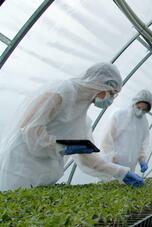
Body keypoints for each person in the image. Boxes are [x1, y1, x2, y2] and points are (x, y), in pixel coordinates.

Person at [0, 63, 144, 192]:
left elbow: (88, 158)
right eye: (111, 93)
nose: (111, 99)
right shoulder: (62, 92)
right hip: (20, 168)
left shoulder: (82, 118)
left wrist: (121, 173)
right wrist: (63, 147)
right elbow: (29, 129)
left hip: (43, 175)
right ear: (100, 84)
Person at [96, 89, 152, 177]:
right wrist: (112, 159)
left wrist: (142, 160)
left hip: (130, 166)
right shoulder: (120, 116)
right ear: (134, 103)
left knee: (125, 188)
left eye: (144, 110)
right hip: (113, 164)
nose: (140, 111)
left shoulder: (144, 123)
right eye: (138, 107)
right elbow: (106, 140)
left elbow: (141, 144)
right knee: (108, 186)